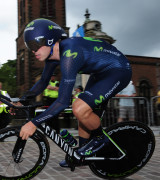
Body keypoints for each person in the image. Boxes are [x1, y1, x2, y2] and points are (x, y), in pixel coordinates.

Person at [19, 18, 132, 167]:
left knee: (79, 108)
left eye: (35, 45)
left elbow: (63, 101)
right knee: (84, 116)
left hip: (119, 70)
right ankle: (82, 155)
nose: (33, 51)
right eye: (29, 46)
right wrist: (21, 101)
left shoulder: (70, 54)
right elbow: (42, 82)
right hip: (99, 74)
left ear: (51, 40)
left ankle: (100, 139)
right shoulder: (52, 57)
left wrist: (34, 123)